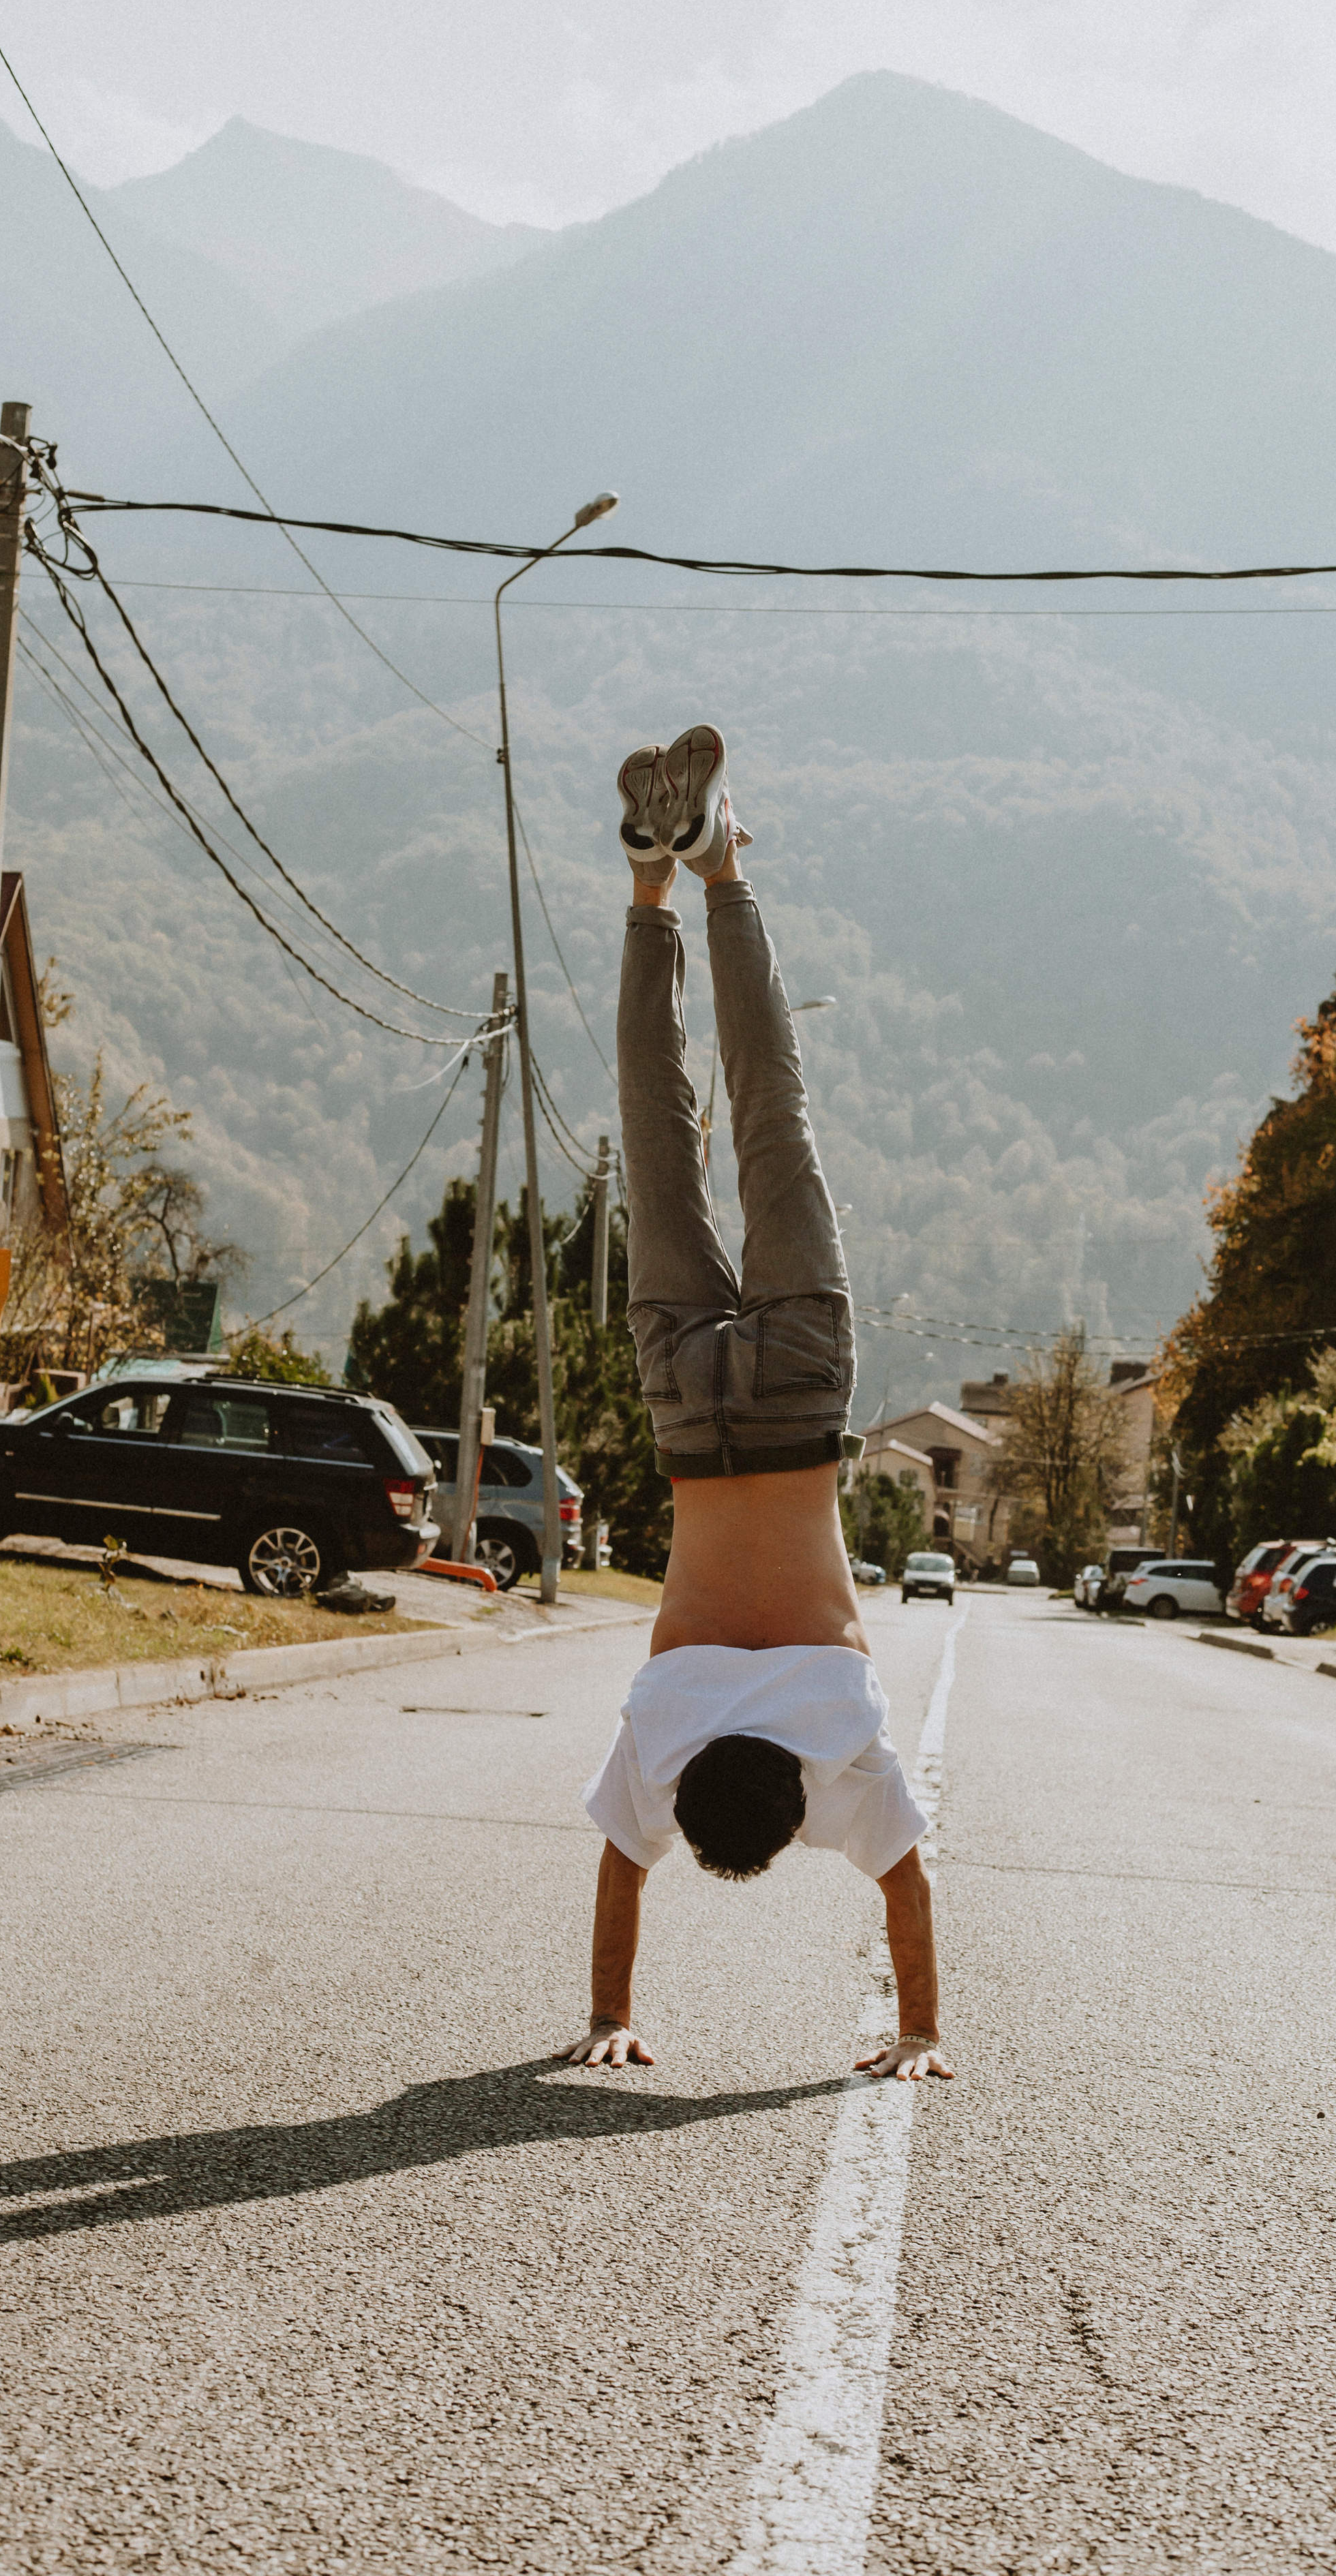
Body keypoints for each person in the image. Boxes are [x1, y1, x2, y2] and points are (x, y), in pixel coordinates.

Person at [560, 724, 952, 2083]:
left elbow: (907, 1898)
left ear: (793, 1804)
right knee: (656, 1122)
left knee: (767, 1106)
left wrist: (917, 2036)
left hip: (793, 1395)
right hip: (685, 1410)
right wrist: (602, 2014)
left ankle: (720, 864)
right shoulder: (659, 1743)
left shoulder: (846, 1756)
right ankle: (647, 887)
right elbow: (618, 1872)